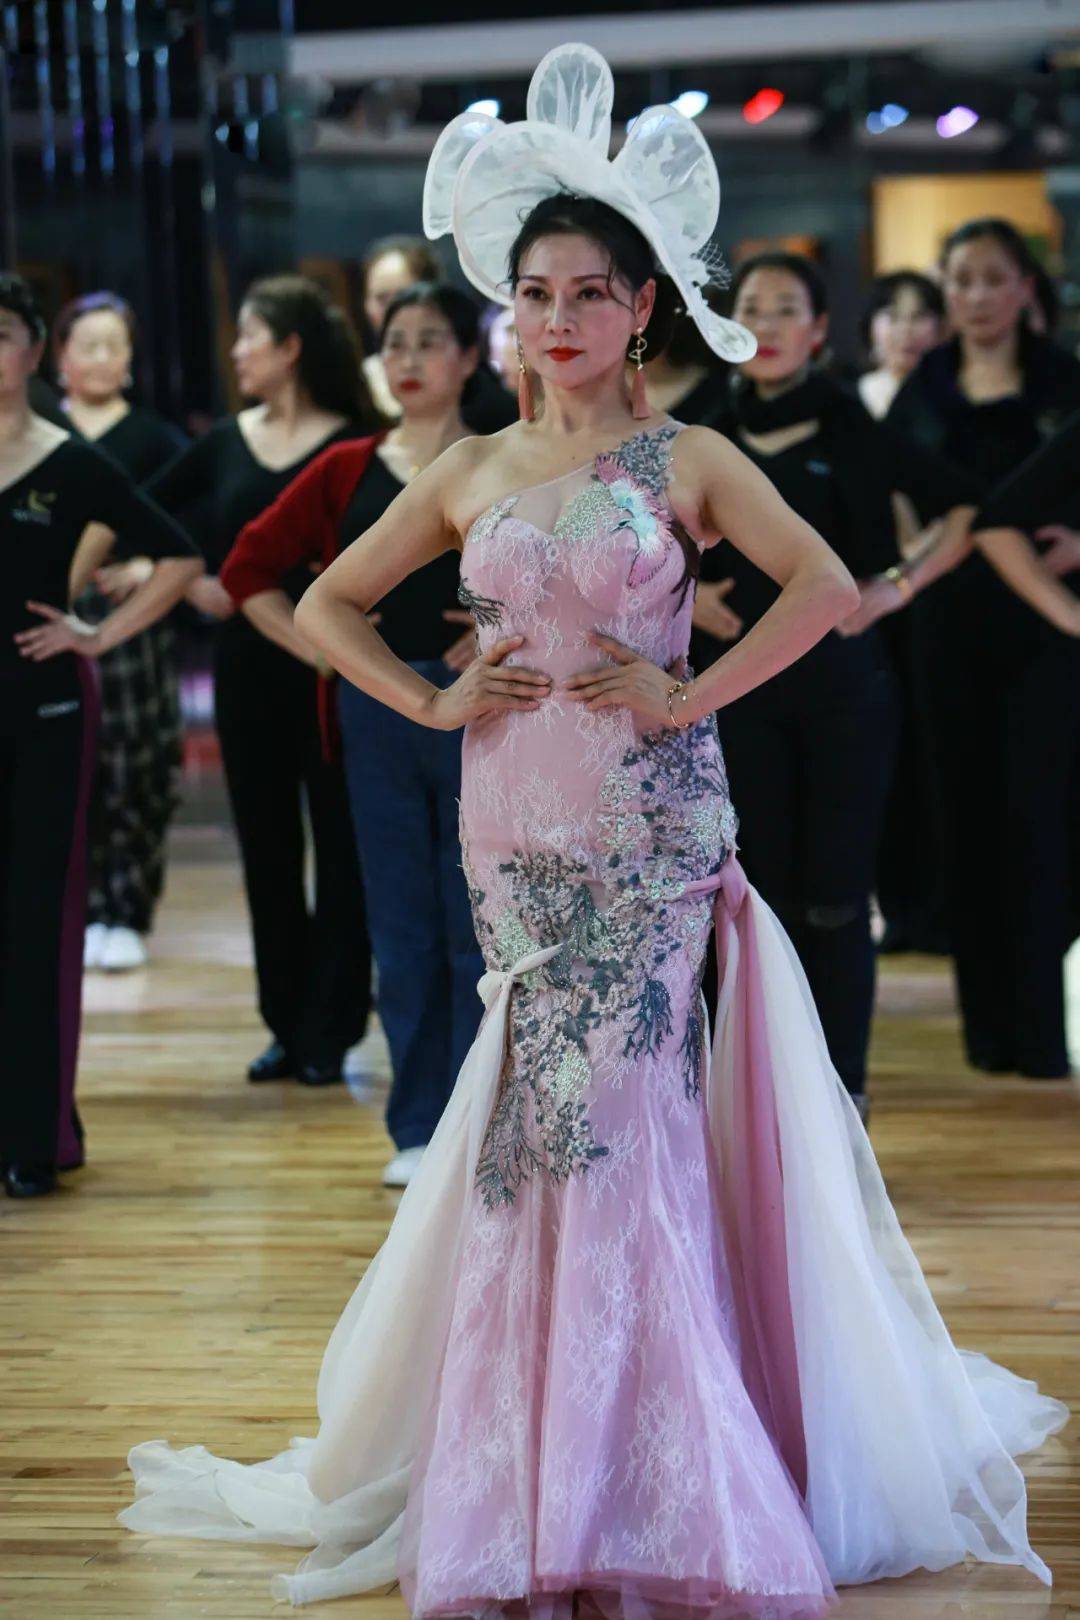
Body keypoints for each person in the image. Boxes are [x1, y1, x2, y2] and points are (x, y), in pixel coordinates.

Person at [120, 45, 1065, 1612]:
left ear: (642, 311)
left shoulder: (689, 458)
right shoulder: (472, 465)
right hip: (513, 823)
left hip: (649, 827)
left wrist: (692, 695)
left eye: (587, 294)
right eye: (533, 294)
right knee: (532, 1130)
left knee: (624, 1126)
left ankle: (642, 1481)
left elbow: (830, 589)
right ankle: (525, 1471)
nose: (554, 319)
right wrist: (431, 701)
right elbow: (320, 602)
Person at [690, 251, 974, 1117]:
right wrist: (690, 597)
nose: (768, 325)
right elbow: (634, 533)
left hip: (842, 689)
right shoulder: (699, 430)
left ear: (818, 330)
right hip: (733, 690)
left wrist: (895, 586)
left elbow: (967, 507)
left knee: (837, 899)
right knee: (748, 894)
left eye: (788, 310)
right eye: (753, 307)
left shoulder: (853, 426)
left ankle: (840, 1091)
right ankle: (751, 1091)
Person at [221, 283, 487, 1188]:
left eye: (429, 341)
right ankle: (417, 1126)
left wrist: (504, 629)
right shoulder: (346, 465)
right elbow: (247, 569)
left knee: (478, 922)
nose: (408, 360)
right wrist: (326, 648)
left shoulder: (502, 458)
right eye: (394, 342)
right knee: (402, 925)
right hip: (376, 712)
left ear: (469, 358)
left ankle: (481, 1122)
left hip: (486, 705)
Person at [146, 275, 382, 1087]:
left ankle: (332, 1030)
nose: (237, 350)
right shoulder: (223, 442)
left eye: (250, 335)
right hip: (248, 668)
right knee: (268, 851)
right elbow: (141, 517)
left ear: (290, 348)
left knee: (344, 850)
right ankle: (285, 1023)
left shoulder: (358, 441)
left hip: (338, 671)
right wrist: (187, 583)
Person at [0, 274, 200, 1199]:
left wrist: (96, 634)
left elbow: (180, 556)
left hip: (46, 712)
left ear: (34, 350)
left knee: (38, 921)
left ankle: (34, 1137)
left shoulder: (68, 461)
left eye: (3, 334)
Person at [888, 219, 1080, 1077]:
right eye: (960, 280)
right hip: (949, 631)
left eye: (993, 279)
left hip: (1047, 635)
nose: (975, 297)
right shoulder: (924, 389)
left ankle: (1039, 1034)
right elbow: (900, 504)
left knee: (1042, 822)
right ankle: (988, 1033)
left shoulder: (1064, 383)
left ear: (1025, 289)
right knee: (961, 823)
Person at [52, 290, 188, 972]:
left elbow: (192, 529)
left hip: (130, 619)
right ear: (60, 356)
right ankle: (75, 910)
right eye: (89, 345)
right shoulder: (39, 429)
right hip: (47, 612)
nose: (103, 358)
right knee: (61, 763)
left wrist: (144, 567)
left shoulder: (156, 440)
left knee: (134, 764)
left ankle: (126, 910)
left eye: (115, 346)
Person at [857, 270, 945, 423]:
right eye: (893, 316)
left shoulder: (953, 396)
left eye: (918, 316)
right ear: (870, 326)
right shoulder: (852, 397)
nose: (905, 329)